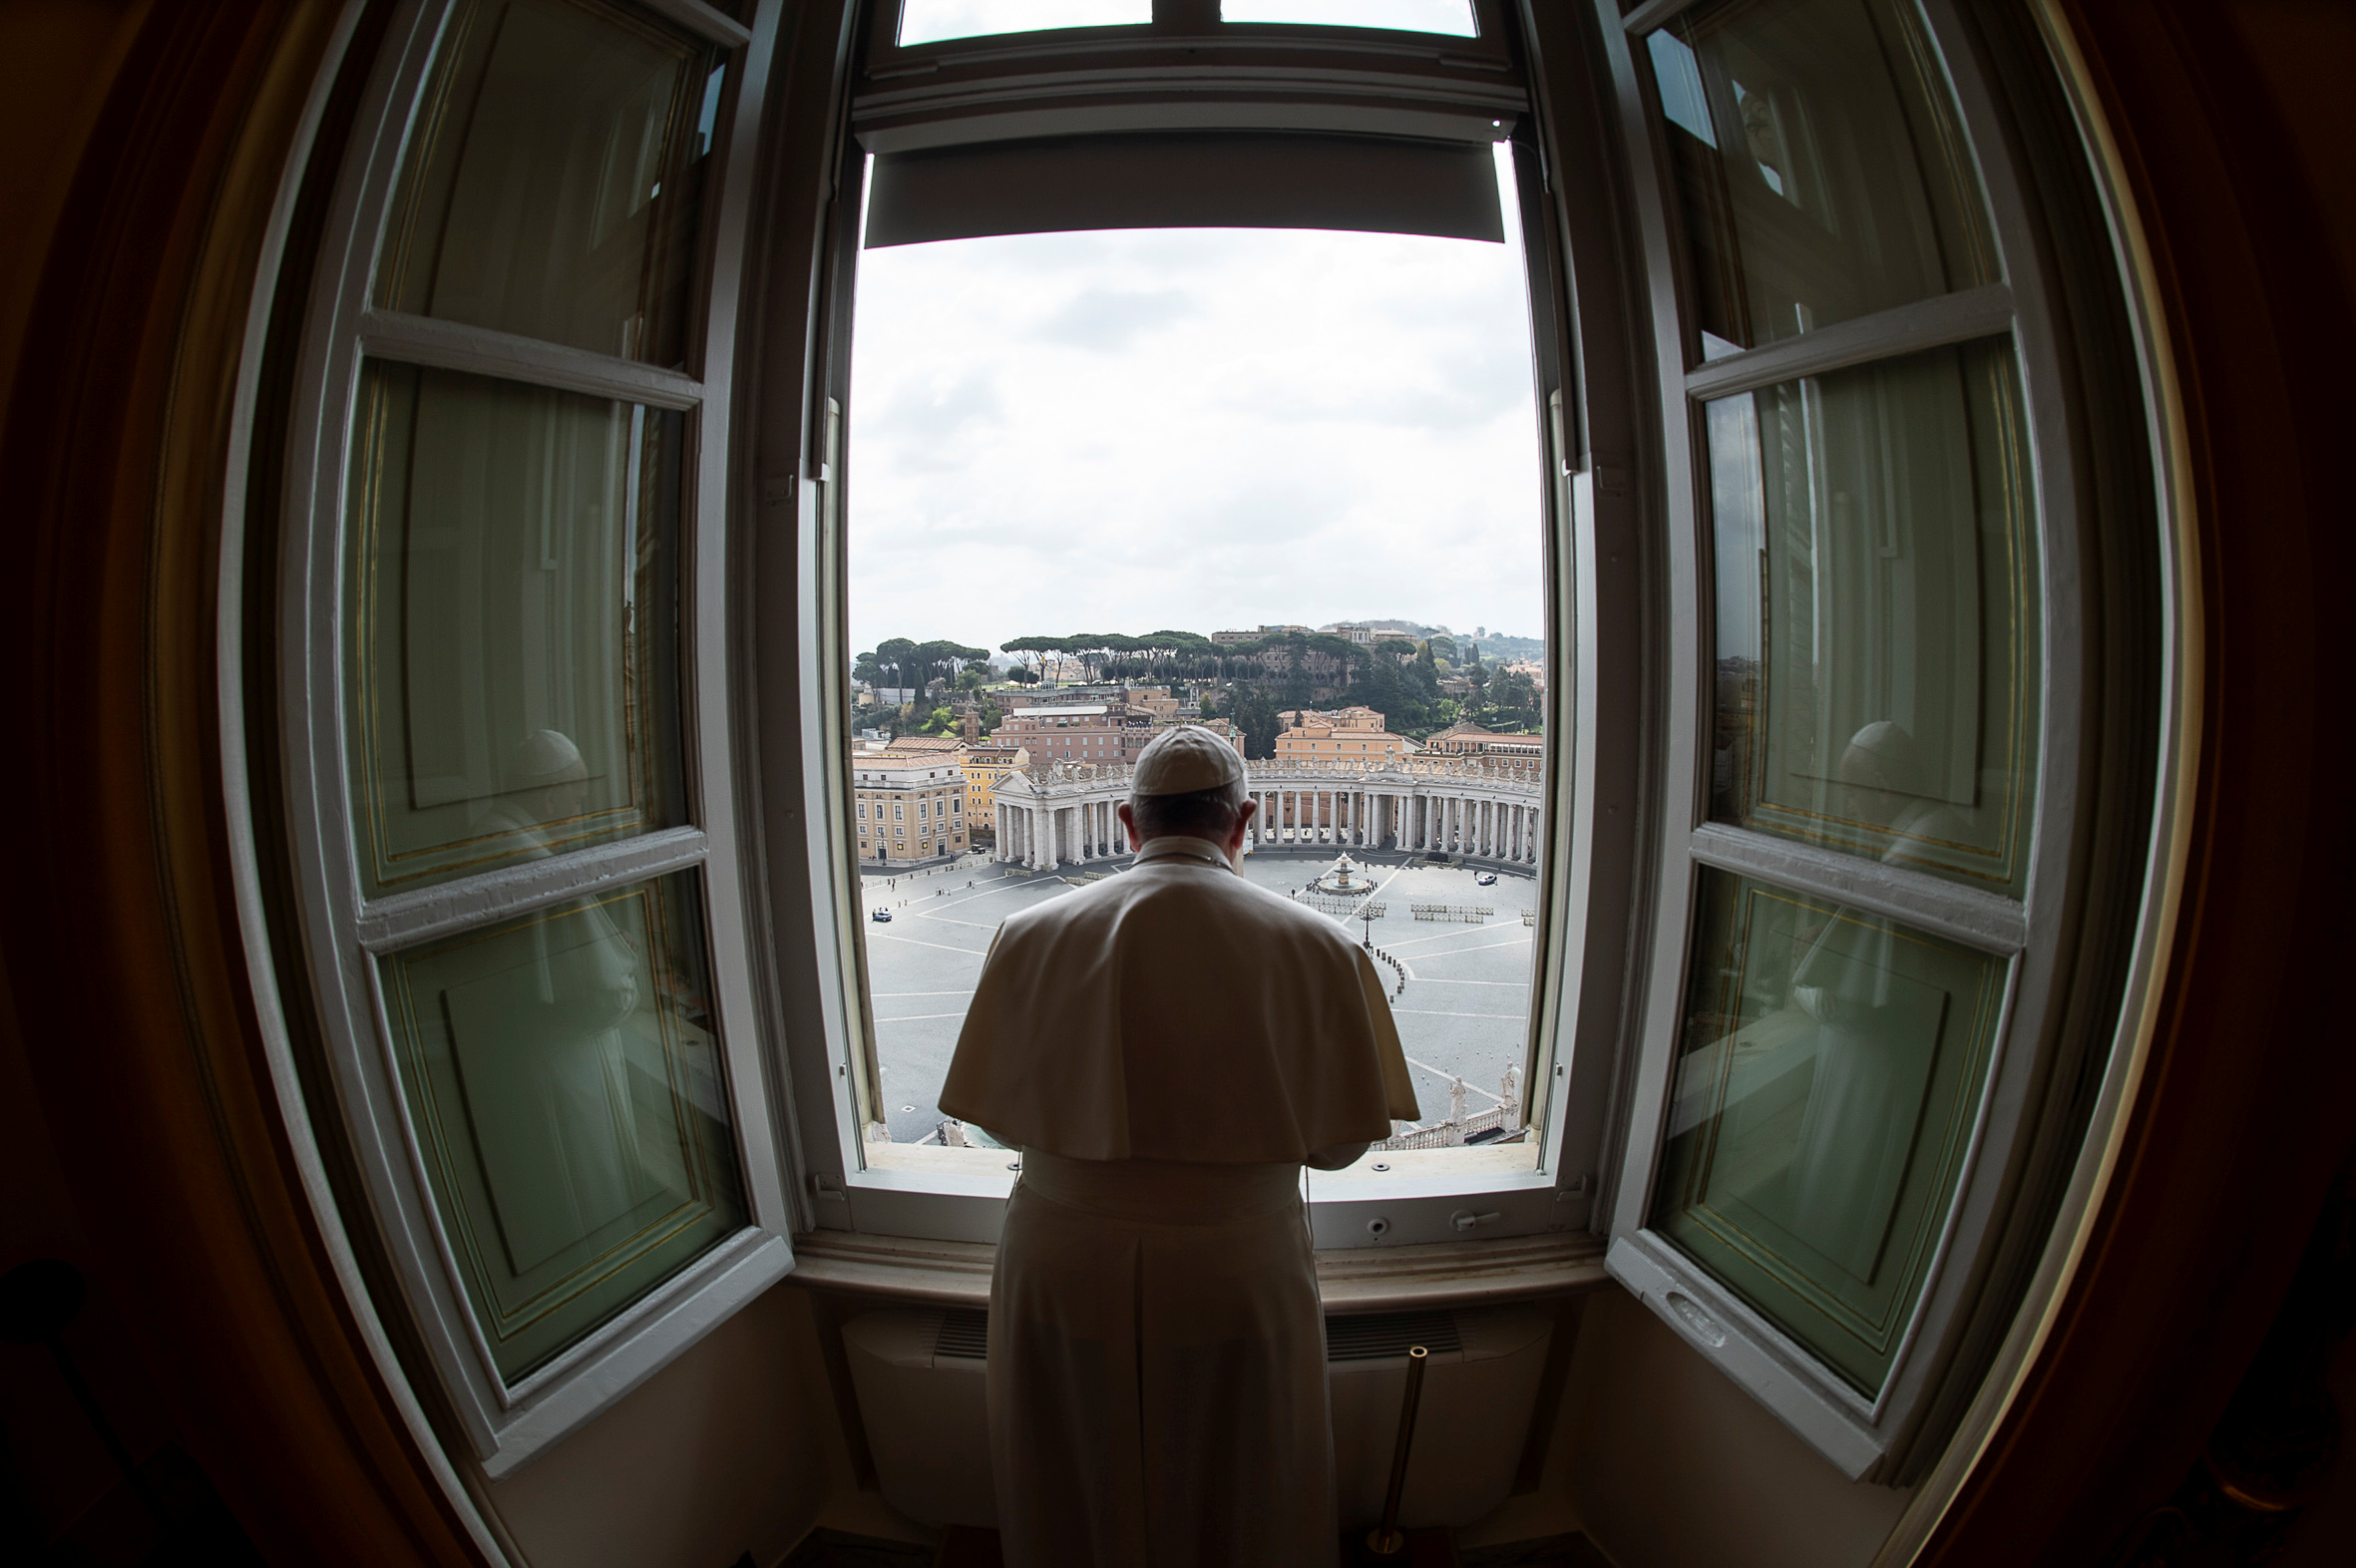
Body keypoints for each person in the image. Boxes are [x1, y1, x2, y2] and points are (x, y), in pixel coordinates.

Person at [939, 725, 1419, 1567]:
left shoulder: (1026, 935)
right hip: (1236, 1264)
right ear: (1245, 823)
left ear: (1128, 820)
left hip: (1062, 1256)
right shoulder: (1325, 948)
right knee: (1243, 1479)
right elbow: (1342, 1145)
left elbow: (998, 1118)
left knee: (1071, 1474)